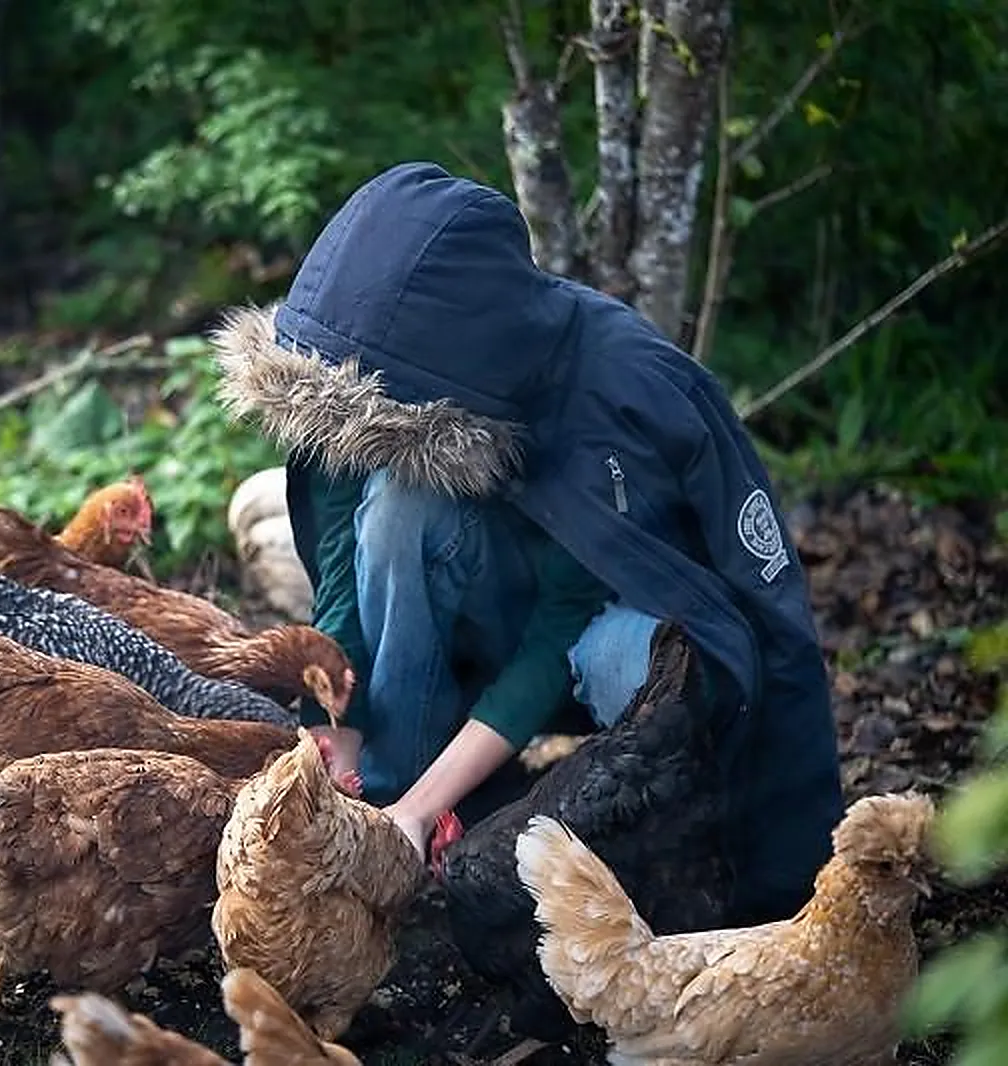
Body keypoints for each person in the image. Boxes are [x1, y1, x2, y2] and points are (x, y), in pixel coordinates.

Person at [209, 161, 845, 926]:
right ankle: (387, 797)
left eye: (376, 430)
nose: (354, 440)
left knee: (645, 664)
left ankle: (641, 859)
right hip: (483, 611)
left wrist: (421, 811)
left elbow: (564, 631)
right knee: (398, 511)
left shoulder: (611, 393)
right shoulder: (339, 381)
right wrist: (332, 734)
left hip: (606, 632)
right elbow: (344, 578)